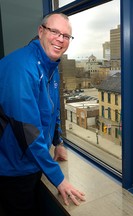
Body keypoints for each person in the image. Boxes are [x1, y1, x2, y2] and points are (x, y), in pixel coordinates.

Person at [0, 13, 85, 215]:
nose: (60, 39)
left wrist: (59, 142)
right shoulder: (21, 68)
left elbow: (53, 109)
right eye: (55, 32)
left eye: (66, 36)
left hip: (32, 163)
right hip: (13, 169)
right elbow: (27, 131)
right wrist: (59, 178)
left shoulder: (50, 64)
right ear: (41, 31)